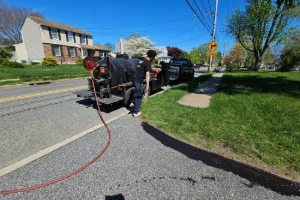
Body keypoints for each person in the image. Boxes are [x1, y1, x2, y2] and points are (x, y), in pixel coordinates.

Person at [132, 50, 157, 117]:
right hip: (138, 80)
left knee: (136, 92)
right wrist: (147, 86)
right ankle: (136, 112)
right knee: (139, 95)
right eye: (154, 57)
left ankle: (133, 104)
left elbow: (141, 68)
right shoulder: (148, 62)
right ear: (152, 57)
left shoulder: (141, 60)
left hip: (134, 78)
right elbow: (147, 75)